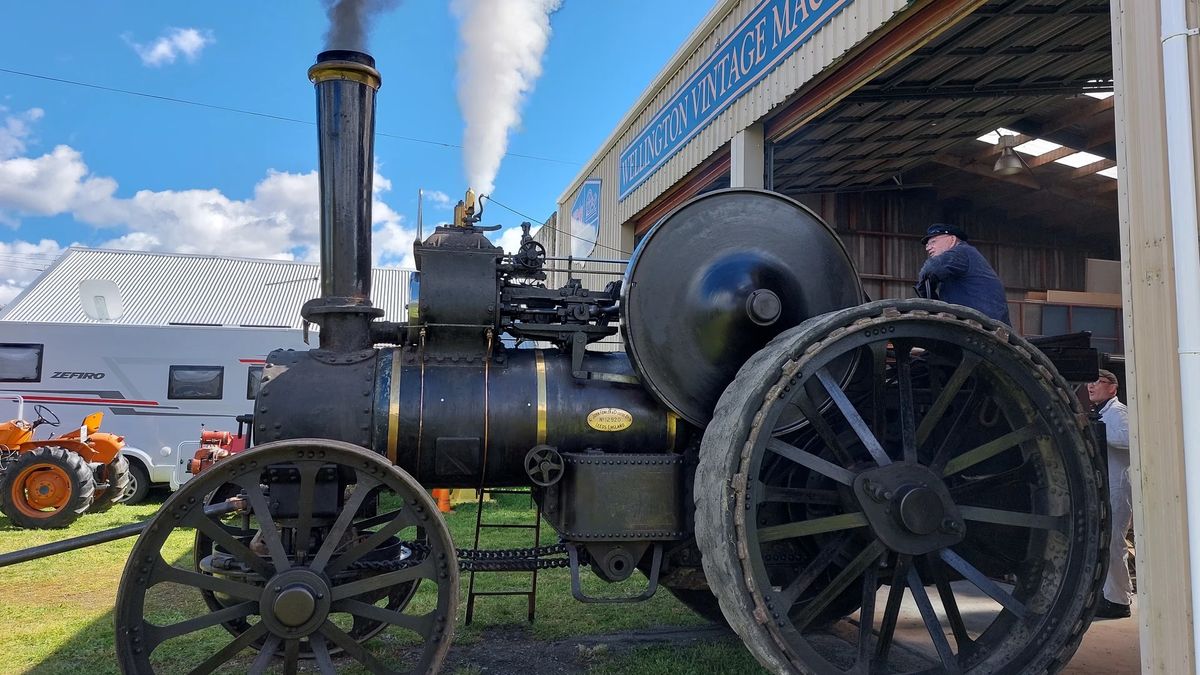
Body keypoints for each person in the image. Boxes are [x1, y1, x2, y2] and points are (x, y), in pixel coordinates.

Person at [1088, 368, 1133, 619]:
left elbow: (1128, 439)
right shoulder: (1102, 414)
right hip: (1106, 486)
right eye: (1090, 383)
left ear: (1112, 388)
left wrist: (1098, 432)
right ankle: (1107, 595)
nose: (1091, 386)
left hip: (1117, 486)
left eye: (1098, 382)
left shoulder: (1118, 413)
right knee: (1105, 542)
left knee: (1115, 542)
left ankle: (1119, 600)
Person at [915, 223, 1011, 325]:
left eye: (933, 242)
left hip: (980, 325)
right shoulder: (959, 262)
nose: (928, 248)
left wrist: (923, 287)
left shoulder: (961, 252)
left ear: (952, 240)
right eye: (927, 245)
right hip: (984, 323)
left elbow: (931, 268)